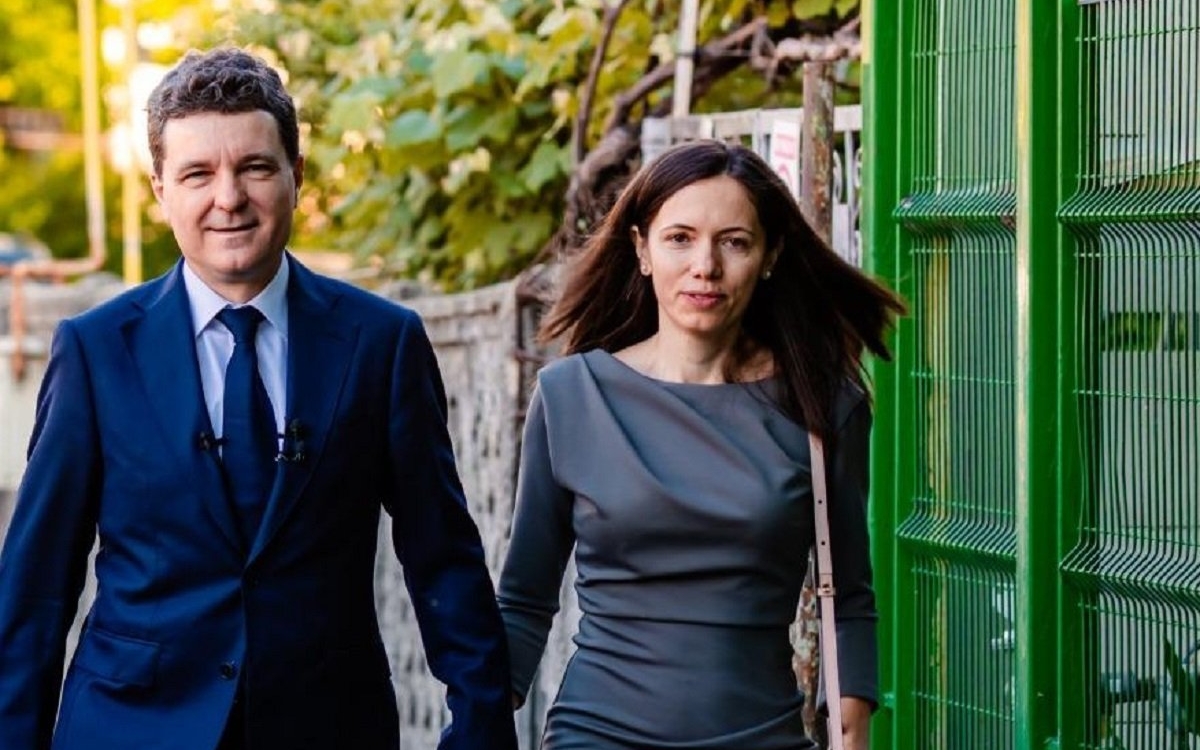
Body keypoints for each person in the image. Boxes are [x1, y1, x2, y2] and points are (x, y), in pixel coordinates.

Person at [0, 47, 517, 750]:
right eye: (198, 174)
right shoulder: (94, 351)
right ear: (160, 191)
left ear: (296, 176)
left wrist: (483, 731)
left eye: (254, 167)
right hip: (130, 726)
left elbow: (443, 557)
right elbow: (36, 584)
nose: (229, 198)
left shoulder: (381, 342)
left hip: (328, 728)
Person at [497, 139, 904, 750]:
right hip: (597, 735)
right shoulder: (570, 396)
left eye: (733, 242)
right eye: (679, 238)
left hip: (761, 738)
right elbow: (524, 599)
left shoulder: (823, 409)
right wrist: (480, 718)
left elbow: (847, 600)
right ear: (642, 250)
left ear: (770, 256)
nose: (705, 266)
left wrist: (853, 737)